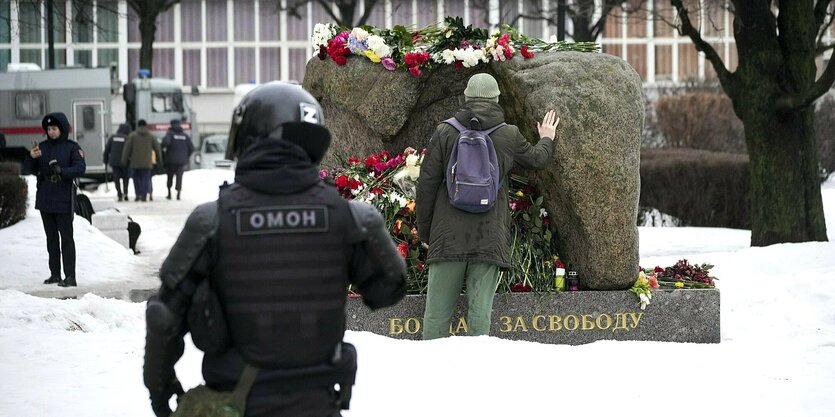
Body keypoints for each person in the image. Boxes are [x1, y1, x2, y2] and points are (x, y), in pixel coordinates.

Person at [143, 82, 407, 417]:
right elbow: (388, 288)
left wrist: (160, 389)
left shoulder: (212, 220)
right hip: (318, 404)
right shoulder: (348, 217)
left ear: (249, 136)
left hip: (239, 401)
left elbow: (162, 317)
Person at [415, 73, 560, 340]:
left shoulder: (445, 131)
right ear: (496, 100)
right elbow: (537, 160)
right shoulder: (508, 134)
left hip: (447, 237)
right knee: (480, 317)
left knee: (436, 317)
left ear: (466, 98)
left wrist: (426, 234)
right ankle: (477, 375)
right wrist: (547, 138)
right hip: (489, 237)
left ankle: (431, 376)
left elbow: (426, 186)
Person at [26, 112, 87, 287]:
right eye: (49, 129)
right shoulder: (42, 147)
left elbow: (80, 167)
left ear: (62, 129)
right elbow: (29, 169)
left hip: (63, 196)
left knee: (66, 238)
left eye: (54, 128)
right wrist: (32, 157)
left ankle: (70, 276)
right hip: (46, 196)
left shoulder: (72, 147)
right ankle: (55, 274)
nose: (51, 131)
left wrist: (63, 172)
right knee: (51, 238)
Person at [122, 119, 162, 202]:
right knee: (145, 179)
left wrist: (124, 160)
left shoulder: (132, 136)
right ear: (145, 125)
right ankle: (144, 196)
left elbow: (127, 149)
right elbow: (157, 148)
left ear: (138, 125)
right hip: (147, 162)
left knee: (136, 178)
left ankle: (138, 195)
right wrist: (159, 159)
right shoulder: (151, 136)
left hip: (135, 162)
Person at [160, 118, 194, 200]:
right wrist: (186, 156)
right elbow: (191, 148)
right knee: (179, 177)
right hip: (181, 161)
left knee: (170, 176)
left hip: (171, 160)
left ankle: (169, 193)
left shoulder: (170, 134)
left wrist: (164, 151)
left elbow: (165, 143)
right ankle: (178, 194)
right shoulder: (185, 135)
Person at [103, 123, 133, 201]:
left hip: (114, 162)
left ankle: (119, 194)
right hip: (125, 162)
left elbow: (107, 150)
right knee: (125, 178)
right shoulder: (127, 138)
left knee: (116, 179)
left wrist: (105, 160)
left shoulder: (113, 137)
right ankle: (125, 193)